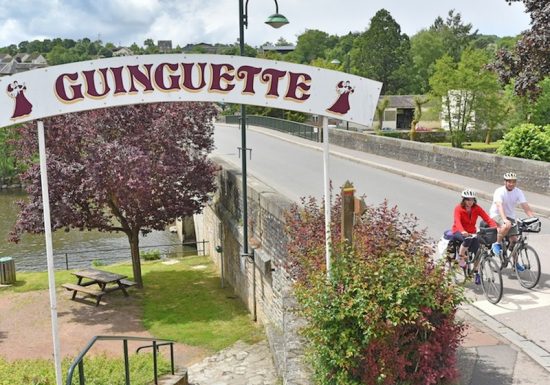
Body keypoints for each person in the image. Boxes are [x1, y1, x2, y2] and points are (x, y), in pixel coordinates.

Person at [489, 172, 535, 269]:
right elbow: (499, 205)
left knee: (514, 240)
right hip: (496, 214)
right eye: (509, 181)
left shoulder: (518, 192)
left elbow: (525, 206)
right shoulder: (499, 191)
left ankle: (515, 264)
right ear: (505, 182)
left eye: (513, 182)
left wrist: (533, 218)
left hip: (510, 216)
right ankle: (496, 244)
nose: (511, 184)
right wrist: (504, 219)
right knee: (506, 225)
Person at [450, 189, 497, 271]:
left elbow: (487, 218)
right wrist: (462, 231)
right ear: (464, 200)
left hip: (471, 232)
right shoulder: (458, 208)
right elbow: (457, 221)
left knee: (477, 249)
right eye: (468, 199)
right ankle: (461, 258)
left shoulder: (476, 208)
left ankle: (476, 271)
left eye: (472, 199)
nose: (470, 202)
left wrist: (495, 226)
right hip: (458, 231)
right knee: (467, 239)